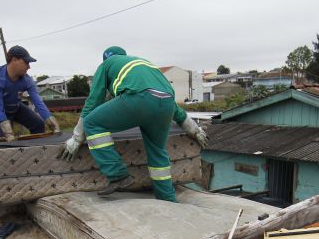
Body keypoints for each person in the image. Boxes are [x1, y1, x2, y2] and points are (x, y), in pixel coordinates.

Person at [60, 46, 208, 202]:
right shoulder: (142, 64)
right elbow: (171, 106)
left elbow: (94, 101)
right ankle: (168, 200)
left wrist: (77, 138)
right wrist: (194, 130)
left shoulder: (106, 64)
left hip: (138, 99)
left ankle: (117, 175)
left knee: (92, 123)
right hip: (167, 103)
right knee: (157, 152)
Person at [0, 45, 60, 141]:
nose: (29, 67)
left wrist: (52, 122)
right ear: (14, 60)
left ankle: (35, 151)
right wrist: (8, 133)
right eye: (26, 62)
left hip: (15, 106)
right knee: (5, 140)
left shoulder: (26, 80)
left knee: (38, 124)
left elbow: (38, 103)